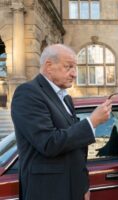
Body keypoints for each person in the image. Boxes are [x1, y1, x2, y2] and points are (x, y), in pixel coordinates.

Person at [11, 44, 112, 200]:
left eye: (75, 68)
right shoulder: (28, 93)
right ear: (49, 66)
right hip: (48, 191)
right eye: (69, 67)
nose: (74, 74)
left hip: (73, 189)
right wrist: (92, 122)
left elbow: (76, 148)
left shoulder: (65, 98)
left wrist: (83, 186)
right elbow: (49, 143)